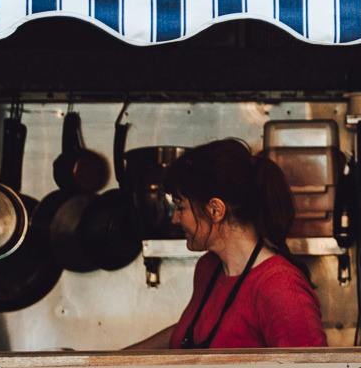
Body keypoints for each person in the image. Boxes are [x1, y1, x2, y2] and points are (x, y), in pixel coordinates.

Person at [131, 139, 325, 350]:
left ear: (215, 210)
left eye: (180, 207)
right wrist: (114, 362)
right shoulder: (209, 268)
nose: (175, 219)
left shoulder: (280, 288)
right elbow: (187, 334)